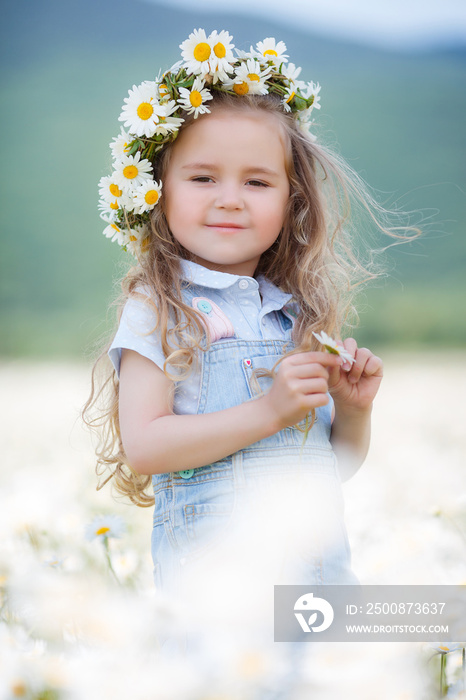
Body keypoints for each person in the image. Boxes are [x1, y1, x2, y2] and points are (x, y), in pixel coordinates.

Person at [85, 29, 404, 654]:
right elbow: (147, 445)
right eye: (203, 177)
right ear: (158, 190)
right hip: (225, 597)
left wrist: (356, 411)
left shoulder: (294, 317)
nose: (230, 200)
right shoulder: (160, 308)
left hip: (319, 583)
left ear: (292, 202)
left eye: (258, 183)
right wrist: (269, 411)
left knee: (411, 640)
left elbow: (328, 471)